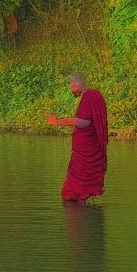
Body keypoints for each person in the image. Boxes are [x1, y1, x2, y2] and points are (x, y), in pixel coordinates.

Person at [47, 72, 108, 202]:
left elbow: (83, 122)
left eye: (70, 84)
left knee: (71, 192)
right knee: (81, 188)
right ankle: (84, 209)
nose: (70, 88)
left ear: (76, 84)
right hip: (87, 147)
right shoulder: (95, 95)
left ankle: (79, 213)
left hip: (86, 150)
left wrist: (57, 122)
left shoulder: (88, 97)